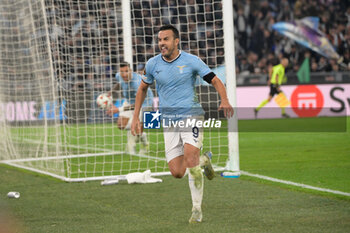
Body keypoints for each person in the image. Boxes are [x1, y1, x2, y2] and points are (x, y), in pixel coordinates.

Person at [131, 25, 234, 223]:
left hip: (191, 115)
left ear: (176, 41)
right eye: (160, 39)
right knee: (177, 172)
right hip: (168, 120)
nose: (162, 43)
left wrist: (225, 99)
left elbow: (215, 80)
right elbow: (143, 89)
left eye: (166, 39)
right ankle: (205, 160)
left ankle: (196, 210)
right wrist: (136, 116)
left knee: (190, 160)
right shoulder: (152, 64)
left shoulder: (191, 61)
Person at [107, 62, 153, 154]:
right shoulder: (118, 76)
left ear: (131, 71)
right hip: (129, 101)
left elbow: (138, 103)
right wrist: (111, 92)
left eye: (126, 71)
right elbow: (119, 83)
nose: (124, 74)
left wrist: (119, 109)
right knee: (120, 125)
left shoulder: (137, 83)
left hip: (144, 103)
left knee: (136, 128)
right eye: (122, 72)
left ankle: (144, 145)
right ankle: (142, 136)